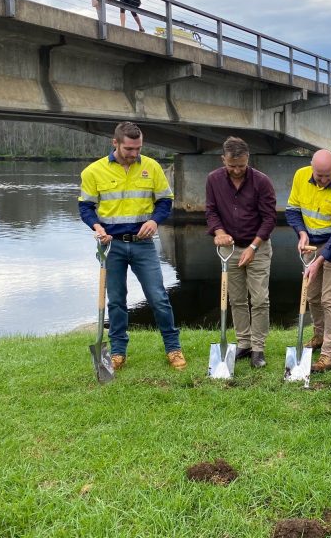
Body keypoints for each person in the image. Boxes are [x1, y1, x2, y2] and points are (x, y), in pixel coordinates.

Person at [78, 121, 185, 371]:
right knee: (116, 301)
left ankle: (173, 348)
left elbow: (165, 201)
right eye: (129, 149)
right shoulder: (93, 172)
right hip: (111, 246)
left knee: (158, 298)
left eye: (138, 148)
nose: (134, 154)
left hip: (144, 245)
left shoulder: (152, 167)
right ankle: (117, 353)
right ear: (115, 143)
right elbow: (85, 207)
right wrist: (97, 227)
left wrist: (155, 221)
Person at [205, 137, 276, 368]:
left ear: (248, 160)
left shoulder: (262, 181)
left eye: (241, 166)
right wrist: (218, 231)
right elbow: (211, 211)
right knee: (236, 299)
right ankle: (243, 344)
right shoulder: (213, 180)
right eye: (231, 165)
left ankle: (258, 348)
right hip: (229, 247)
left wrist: (254, 247)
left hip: (258, 246)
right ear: (223, 159)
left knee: (260, 299)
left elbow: (269, 218)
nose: (236, 171)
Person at [285, 150, 331, 372]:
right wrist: (301, 233)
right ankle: (319, 336)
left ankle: (328, 355)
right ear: (311, 168)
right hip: (310, 243)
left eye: (327, 175)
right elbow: (292, 210)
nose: (323, 180)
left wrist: (318, 261)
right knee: (312, 295)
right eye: (319, 175)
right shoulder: (300, 176)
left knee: (329, 299)